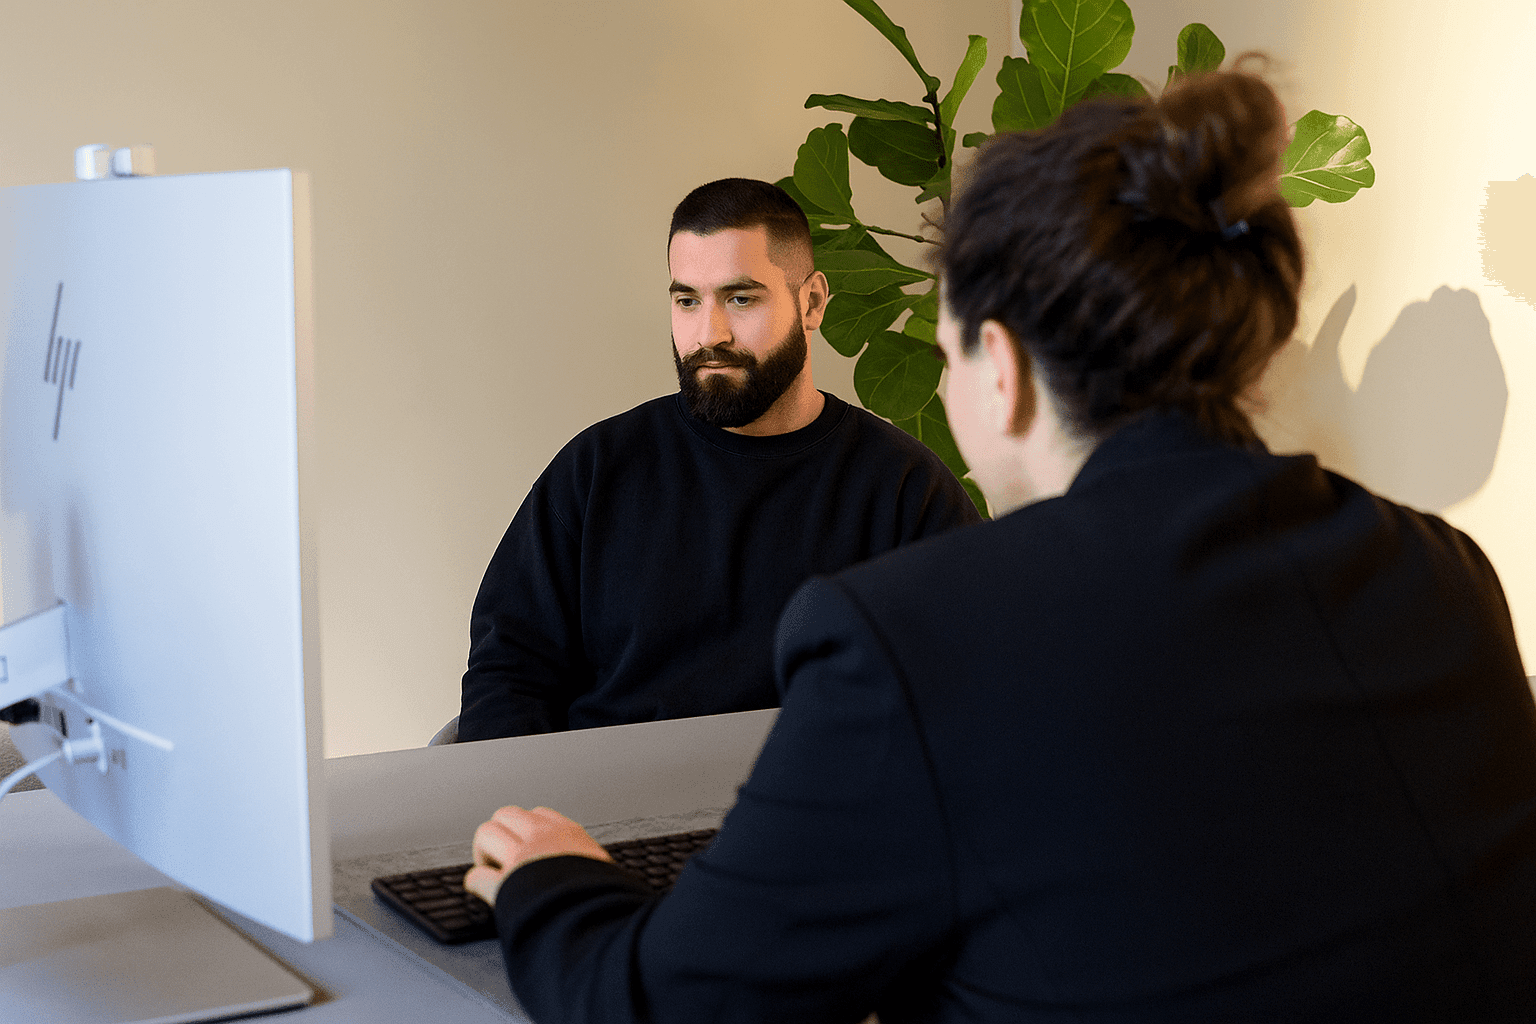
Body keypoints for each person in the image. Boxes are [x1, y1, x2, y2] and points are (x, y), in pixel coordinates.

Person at [463, 67, 1536, 1021]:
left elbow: (660, 1000)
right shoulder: (1445, 575)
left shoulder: (917, 634)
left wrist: (551, 880)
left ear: (1002, 369)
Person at [457, 178, 980, 741]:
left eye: (741, 298)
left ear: (812, 303)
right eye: (687, 300)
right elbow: (507, 677)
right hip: (604, 816)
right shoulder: (596, 472)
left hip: (822, 813)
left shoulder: (904, 491)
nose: (710, 333)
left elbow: (967, 694)